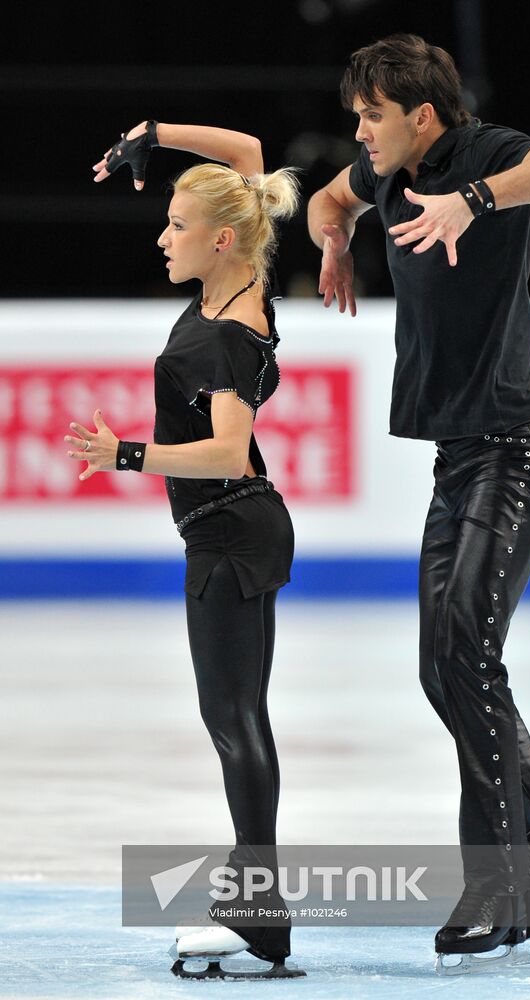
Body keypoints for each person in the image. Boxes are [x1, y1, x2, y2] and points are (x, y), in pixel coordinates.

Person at [307, 33, 530, 965]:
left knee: (461, 653)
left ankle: (507, 881)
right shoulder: (382, 169)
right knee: (448, 666)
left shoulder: (480, 156)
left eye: (371, 116)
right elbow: (324, 197)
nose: (359, 133)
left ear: (422, 116)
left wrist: (473, 202)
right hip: (459, 462)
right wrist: (337, 240)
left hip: (516, 457)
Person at [65, 120, 304, 980]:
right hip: (241, 528)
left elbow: (229, 452)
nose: (163, 237)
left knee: (233, 722)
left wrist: (125, 454)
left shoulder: (223, 338)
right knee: (238, 719)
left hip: (230, 532)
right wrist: (151, 137)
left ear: (222, 239)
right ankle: (260, 907)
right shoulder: (241, 286)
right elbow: (245, 156)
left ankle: (261, 915)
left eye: (175, 224)